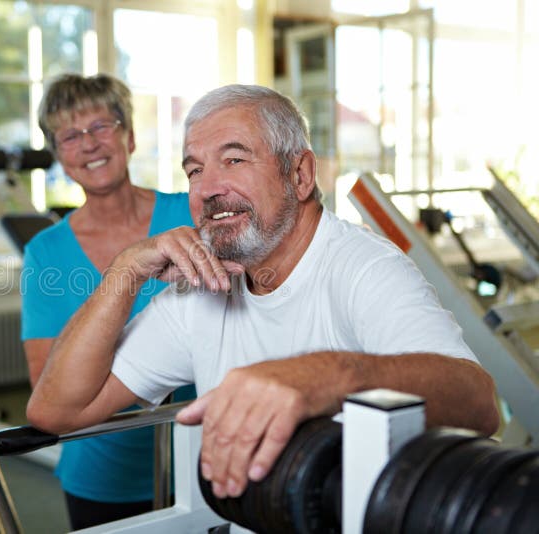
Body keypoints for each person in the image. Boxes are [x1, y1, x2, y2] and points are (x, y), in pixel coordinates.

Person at [27, 84, 500, 503]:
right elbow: (56, 411)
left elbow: (478, 404)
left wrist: (327, 376)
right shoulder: (202, 288)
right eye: (194, 171)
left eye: (234, 159)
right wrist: (126, 270)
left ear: (299, 175)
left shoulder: (365, 268)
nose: (208, 188)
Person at [20, 73, 196, 529]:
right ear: (59, 155)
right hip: (103, 476)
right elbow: (47, 383)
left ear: (130, 136)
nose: (90, 144)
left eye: (102, 126)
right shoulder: (45, 252)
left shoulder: (191, 214)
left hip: (205, 458)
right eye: (70, 136)